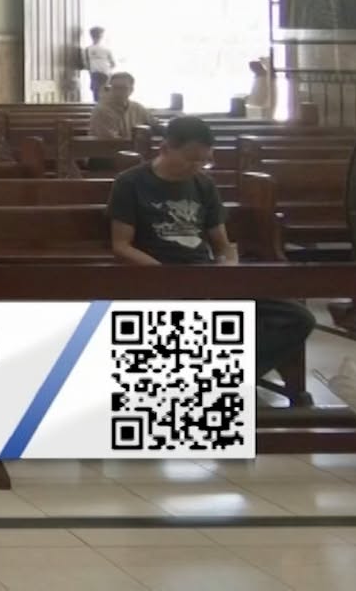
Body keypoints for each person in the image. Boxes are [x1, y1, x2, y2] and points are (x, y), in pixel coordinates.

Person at [108, 116, 315, 396]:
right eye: (191, 159)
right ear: (165, 148)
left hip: (206, 276)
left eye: (203, 161)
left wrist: (227, 269)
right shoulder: (130, 183)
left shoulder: (203, 184)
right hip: (157, 276)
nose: (196, 167)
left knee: (297, 316)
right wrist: (166, 276)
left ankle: (227, 375)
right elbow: (122, 245)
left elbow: (222, 243)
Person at [90, 71, 155, 141]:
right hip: (107, 149)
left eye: (122, 88)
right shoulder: (101, 110)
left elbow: (154, 125)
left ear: (131, 90)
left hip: (132, 148)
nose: (118, 92)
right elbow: (110, 140)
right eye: (115, 88)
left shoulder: (138, 108)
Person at [83, 27, 115, 103]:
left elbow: (113, 63)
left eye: (99, 35)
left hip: (104, 74)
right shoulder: (88, 49)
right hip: (96, 74)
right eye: (95, 35)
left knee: (102, 94)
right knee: (97, 95)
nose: (97, 37)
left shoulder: (106, 49)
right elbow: (87, 64)